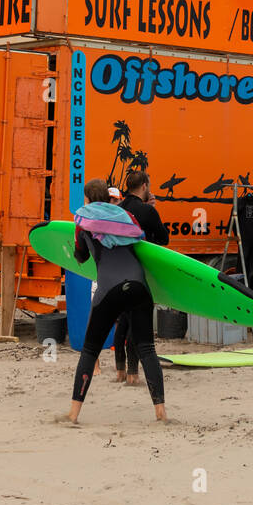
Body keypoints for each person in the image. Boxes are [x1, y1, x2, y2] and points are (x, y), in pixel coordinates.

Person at [59, 179, 166, 426]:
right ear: (108, 197)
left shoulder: (83, 222)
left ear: (86, 199)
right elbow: (142, 243)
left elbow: (82, 255)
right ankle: (161, 412)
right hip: (139, 286)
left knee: (89, 350)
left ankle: (73, 414)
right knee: (147, 349)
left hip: (109, 289)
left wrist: (75, 252)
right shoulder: (125, 217)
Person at [111, 170, 169, 387]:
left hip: (117, 271)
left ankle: (120, 370)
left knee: (123, 322)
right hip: (140, 273)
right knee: (138, 322)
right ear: (144, 185)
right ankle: (133, 373)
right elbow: (164, 239)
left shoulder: (117, 209)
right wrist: (151, 211)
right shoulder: (146, 210)